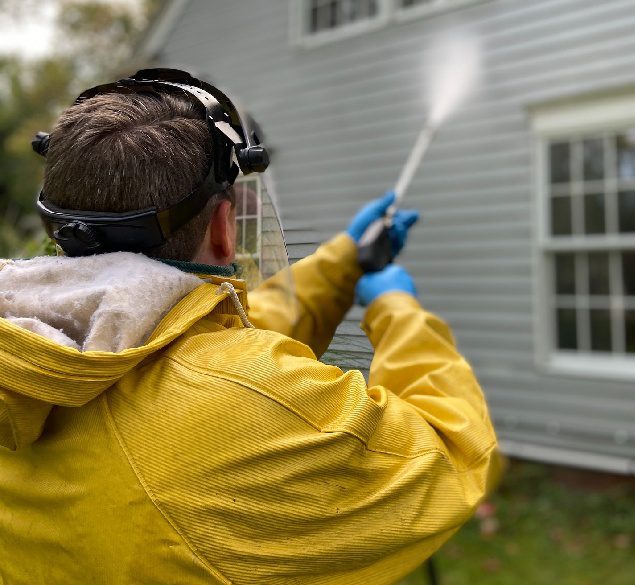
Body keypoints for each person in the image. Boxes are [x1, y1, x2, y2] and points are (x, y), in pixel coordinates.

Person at [0, 69, 499, 585]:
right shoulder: (237, 409)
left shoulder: (31, 346)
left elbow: (204, 348)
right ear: (222, 227)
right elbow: (446, 453)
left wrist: (345, 262)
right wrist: (396, 307)